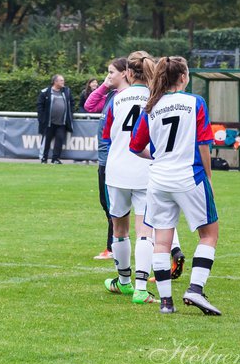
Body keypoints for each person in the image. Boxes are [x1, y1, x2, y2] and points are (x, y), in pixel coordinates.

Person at [129, 56, 221, 316]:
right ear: (183, 77)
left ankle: (166, 302)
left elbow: (135, 146)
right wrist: (209, 176)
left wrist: (157, 157)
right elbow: (204, 144)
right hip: (188, 177)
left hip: (158, 180)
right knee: (209, 234)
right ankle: (195, 289)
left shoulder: (152, 106)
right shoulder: (195, 102)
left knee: (161, 240)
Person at [102, 52, 158, 304]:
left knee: (119, 229)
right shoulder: (157, 99)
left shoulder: (117, 99)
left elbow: (108, 135)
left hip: (117, 169)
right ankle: (141, 288)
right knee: (145, 231)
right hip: (145, 168)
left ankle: (123, 281)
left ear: (129, 73)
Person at [83, 67, 116, 260]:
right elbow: (89, 105)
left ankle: (112, 247)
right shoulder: (110, 95)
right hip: (104, 159)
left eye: (112, 72)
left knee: (114, 205)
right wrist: (105, 85)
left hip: (114, 160)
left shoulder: (122, 98)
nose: (108, 76)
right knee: (107, 203)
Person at [37, 74, 74, 163]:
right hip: (48, 123)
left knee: (59, 140)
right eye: (61, 80)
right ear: (55, 82)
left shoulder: (67, 91)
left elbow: (71, 104)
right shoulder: (45, 92)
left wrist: (70, 115)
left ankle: (55, 159)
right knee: (46, 141)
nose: (63, 82)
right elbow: (40, 106)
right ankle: (44, 158)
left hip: (62, 123)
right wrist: (42, 119)